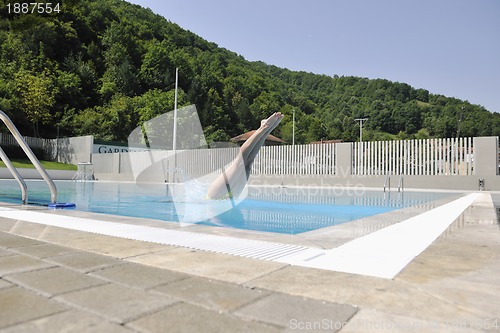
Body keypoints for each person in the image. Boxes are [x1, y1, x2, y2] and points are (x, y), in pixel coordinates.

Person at [206, 112, 284, 200]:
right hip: (232, 198)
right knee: (248, 164)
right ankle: (268, 129)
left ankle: (264, 127)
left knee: (239, 163)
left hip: (214, 197)